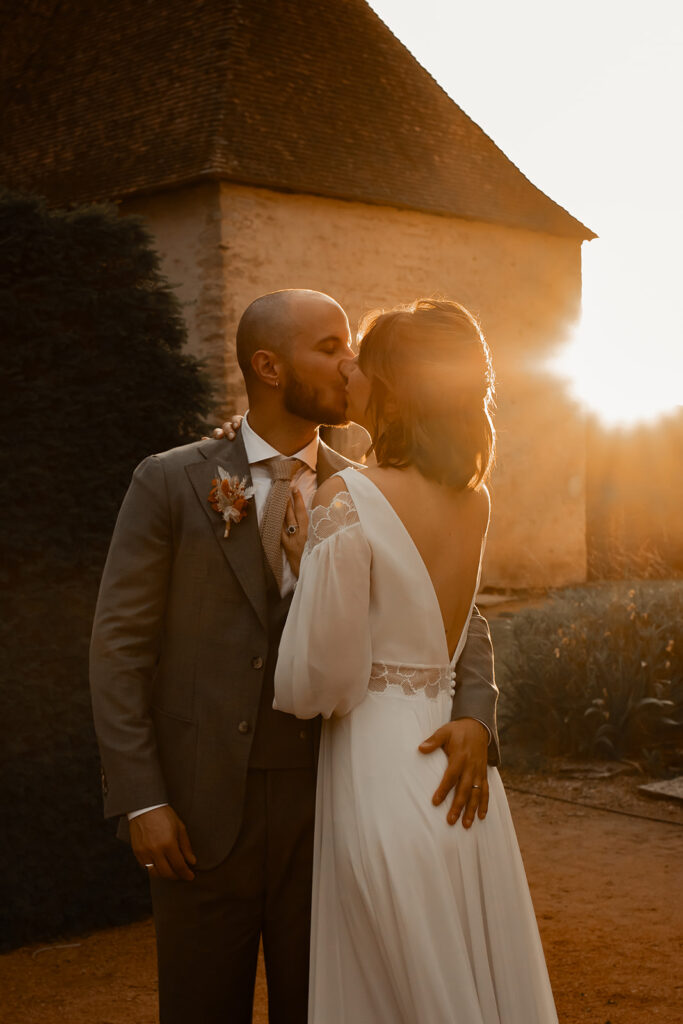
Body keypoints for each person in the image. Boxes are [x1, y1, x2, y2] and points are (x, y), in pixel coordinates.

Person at [89, 289, 500, 1024]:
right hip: (199, 806)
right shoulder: (170, 480)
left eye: (353, 347)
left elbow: (455, 614)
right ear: (268, 366)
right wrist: (142, 798)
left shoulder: (373, 485)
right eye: (330, 346)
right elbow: (117, 647)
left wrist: (473, 714)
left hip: (333, 801)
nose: (350, 363)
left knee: (323, 1008)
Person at [274, 298, 558, 1023]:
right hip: (452, 765)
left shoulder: (347, 497)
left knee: (390, 973)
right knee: (454, 961)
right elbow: (447, 630)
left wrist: (305, 566)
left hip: (376, 760)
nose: (347, 373)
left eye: (359, 364)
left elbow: (319, 681)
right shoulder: (474, 500)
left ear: (390, 389)